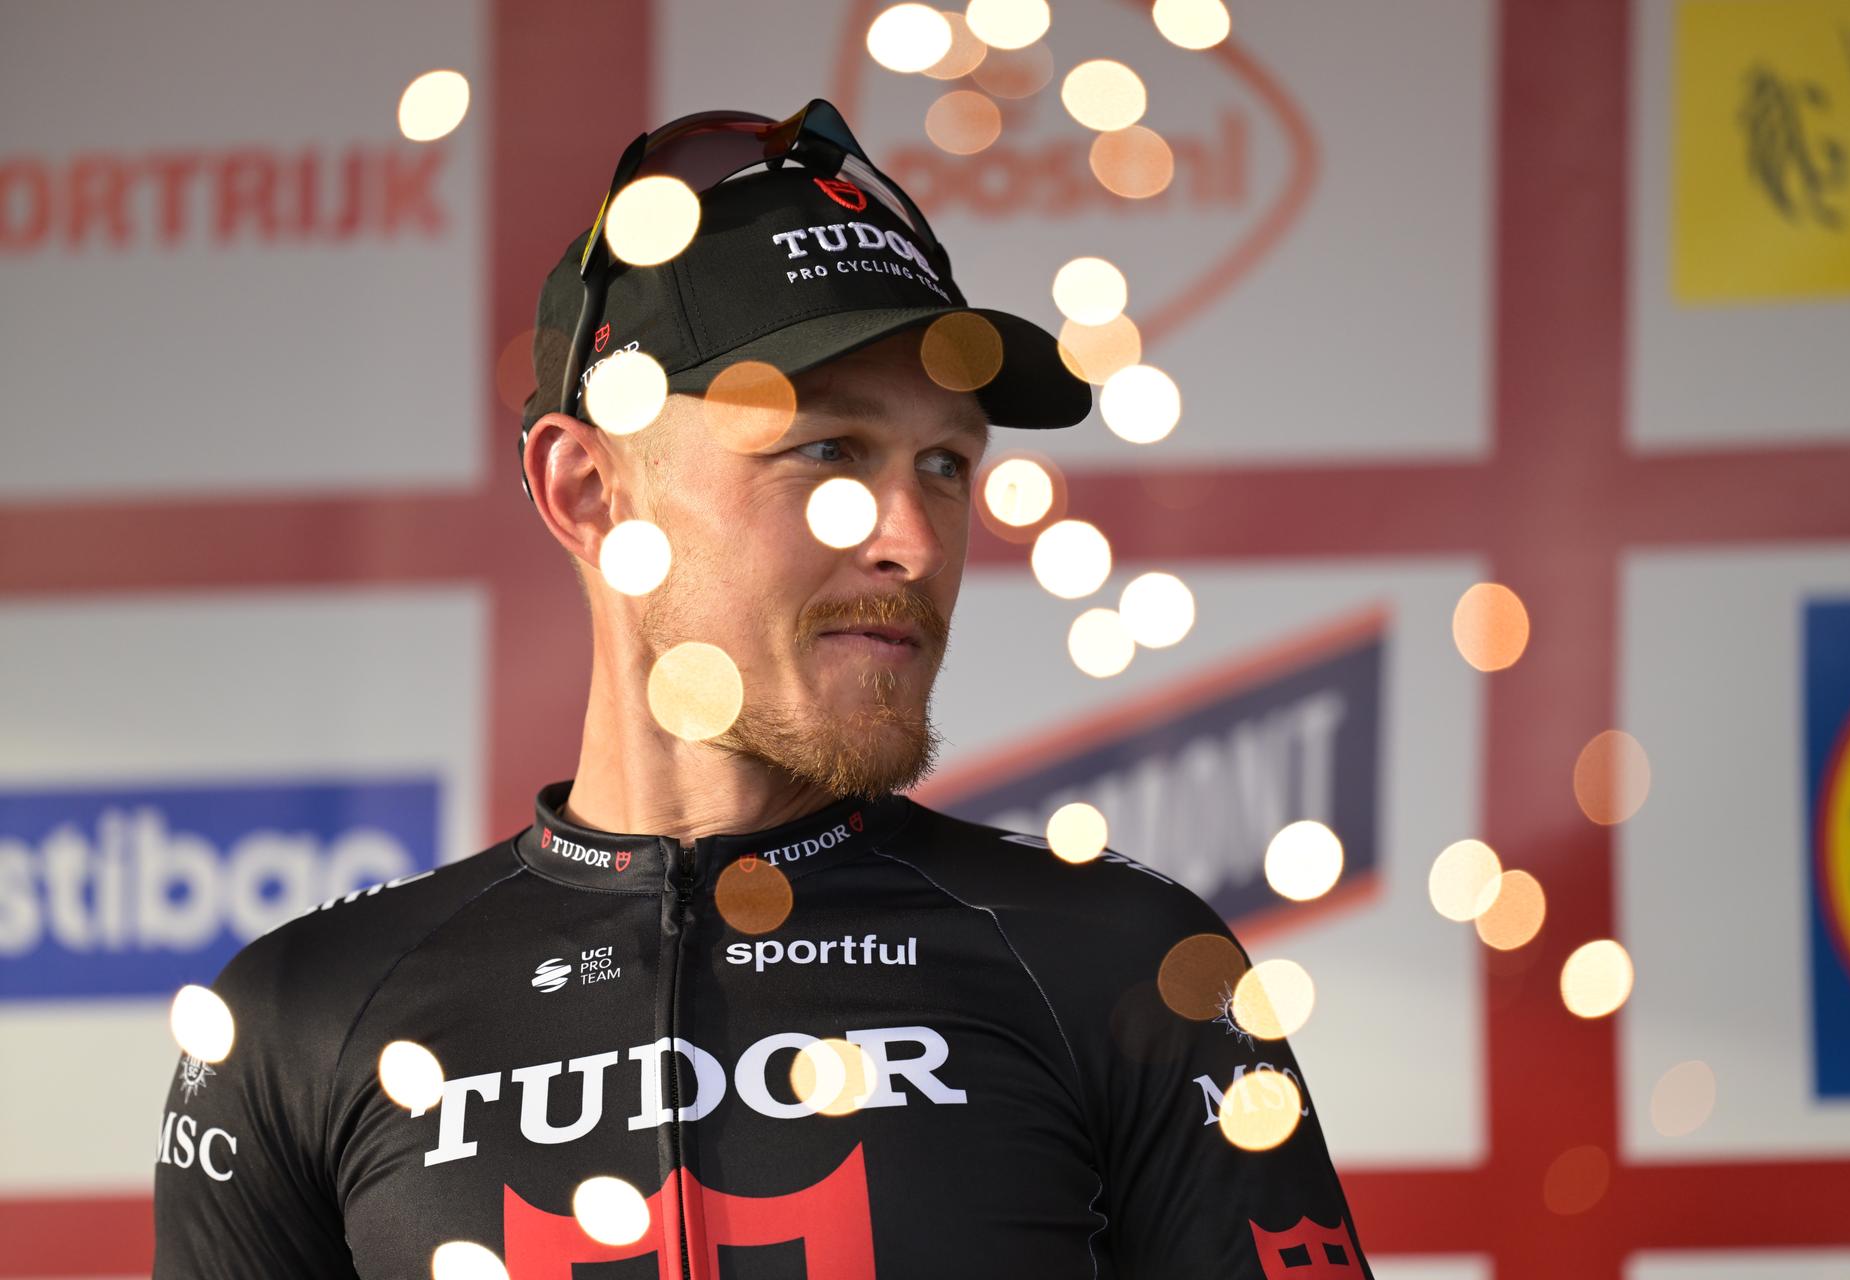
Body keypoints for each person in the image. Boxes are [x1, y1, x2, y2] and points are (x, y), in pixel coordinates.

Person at [152, 100, 1373, 1279]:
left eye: (945, 461)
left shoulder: (1122, 964)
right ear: (588, 491)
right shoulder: (300, 1020)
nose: (911, 536)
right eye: (828, 449)